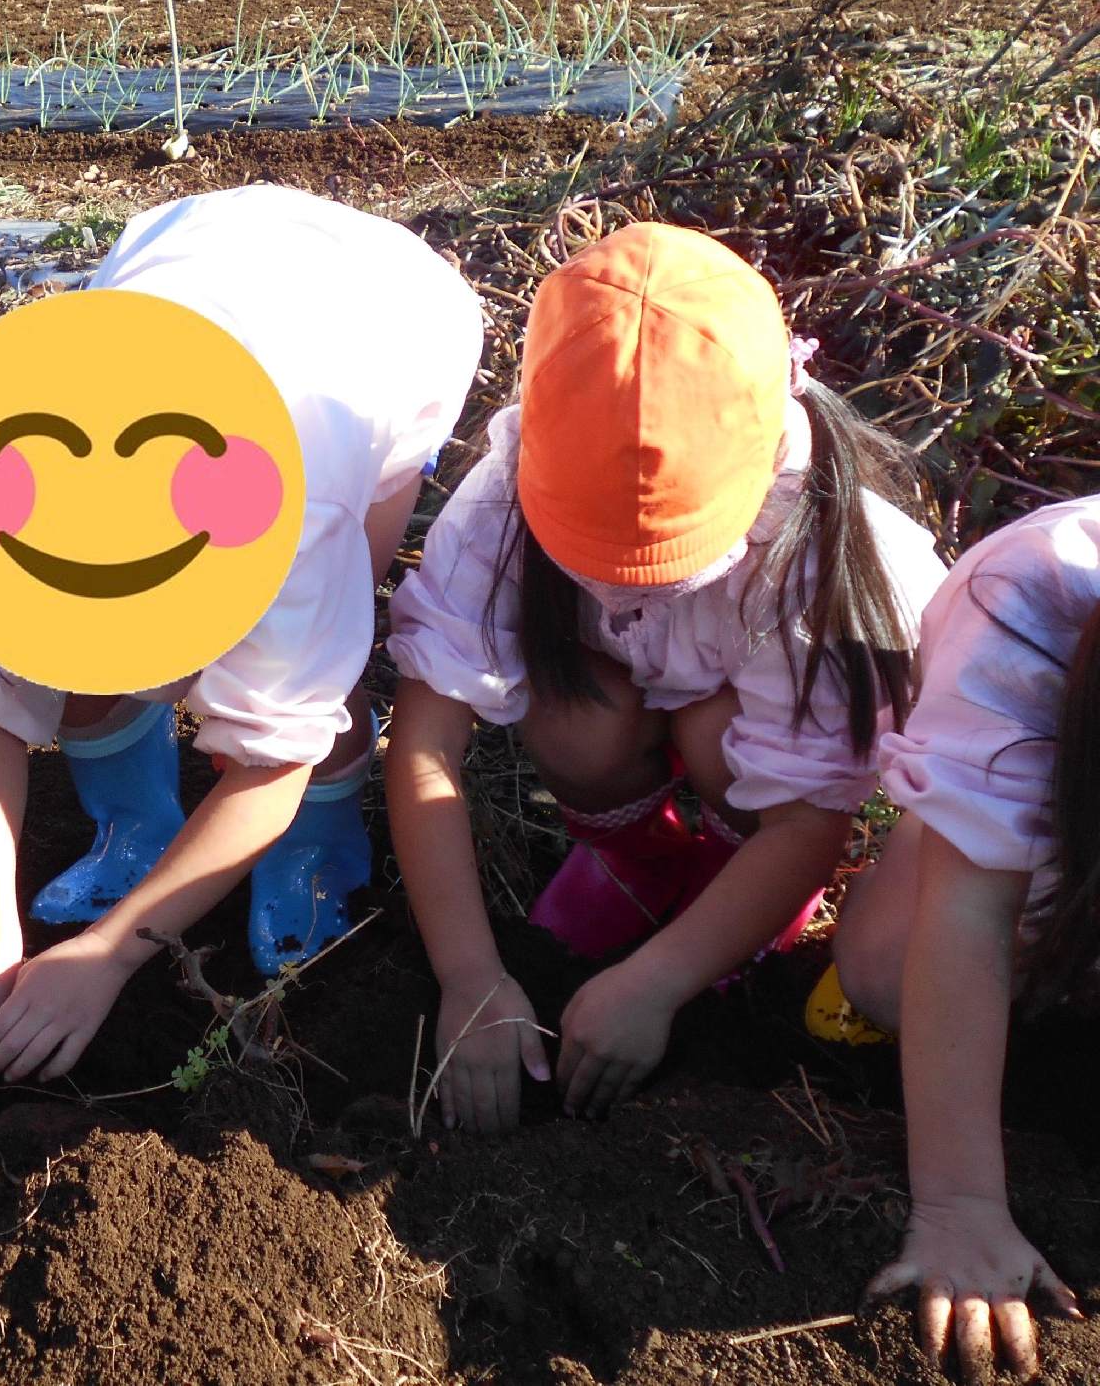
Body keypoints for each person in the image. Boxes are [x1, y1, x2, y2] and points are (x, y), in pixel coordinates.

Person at [383, 222, 947, 1135]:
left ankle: (733, 884)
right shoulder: (504, 496)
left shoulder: (815, 550)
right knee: (577, 722)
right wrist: (469, 975)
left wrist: (656, 982)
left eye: (660, 556)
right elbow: (425, 736)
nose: (621, 582)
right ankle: (640, 864)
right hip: (635, 704)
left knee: (724, 742)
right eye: (594, 549)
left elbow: (811, 814)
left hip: (749, 750)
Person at [0, 185, 485, 1086]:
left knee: (316, 676)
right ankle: (137, 826)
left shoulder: (307, 515)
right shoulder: (1, 493)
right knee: (67, 663)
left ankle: (320, 847)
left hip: (389, 323)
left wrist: (108, 955)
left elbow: (275, 759)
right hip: (189, 260)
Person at [829, 497, 1097, 1380]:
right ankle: (948, 847)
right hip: (1053, 827)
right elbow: (971, 915)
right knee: (878, 972)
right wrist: (961, 1203)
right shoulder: (1027, 600)